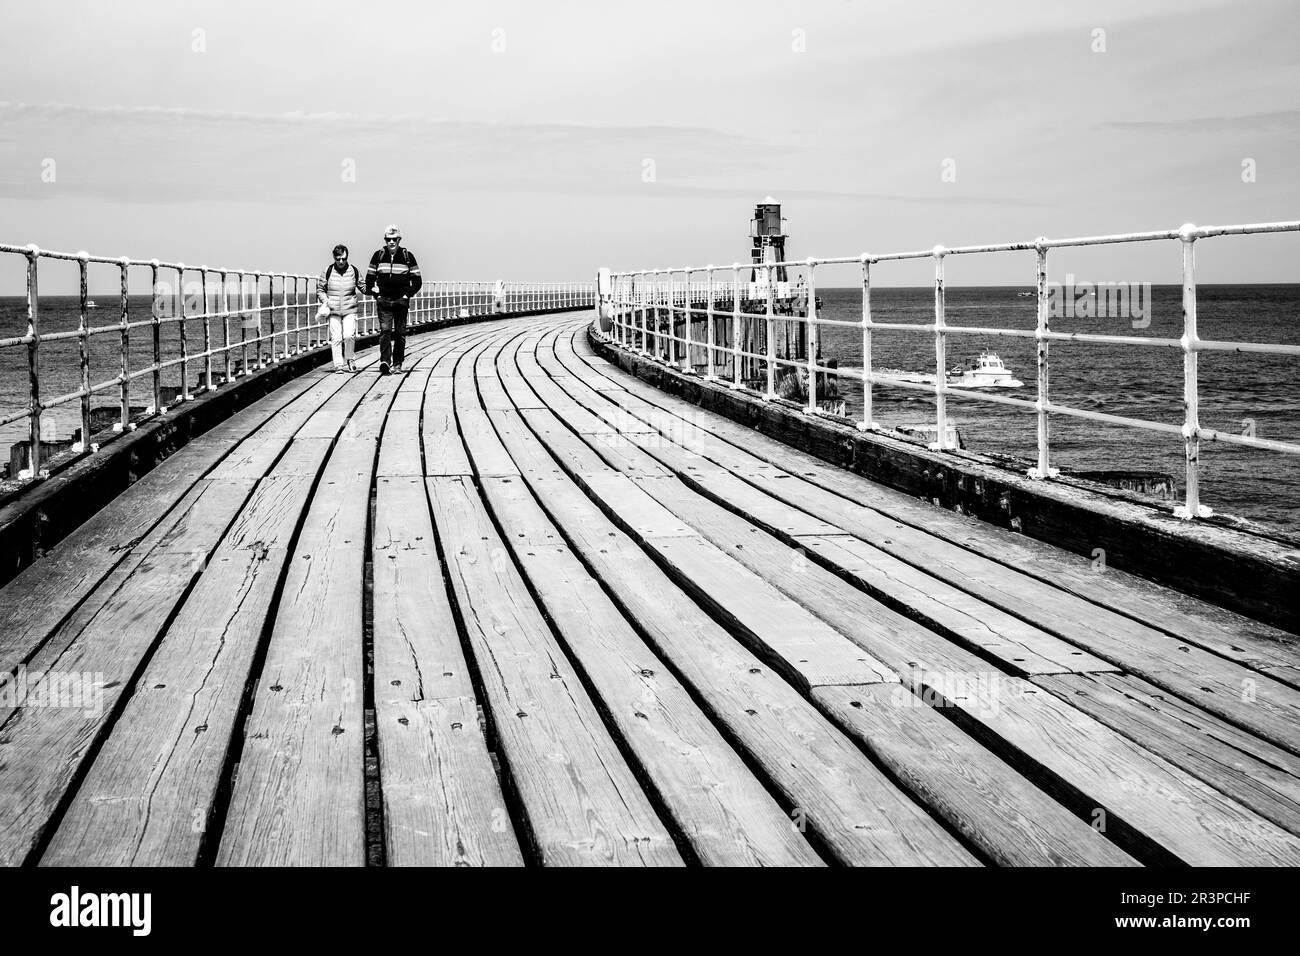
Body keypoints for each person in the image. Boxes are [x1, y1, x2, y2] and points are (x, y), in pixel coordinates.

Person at [365, 225, 422, 374]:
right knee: (385, 331)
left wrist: (406, 295)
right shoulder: (378, 255)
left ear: (399, 240)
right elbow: (369, 279)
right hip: (384, 301)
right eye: (389, 239)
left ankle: (397, 364)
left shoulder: (407, 256)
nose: (391, 242)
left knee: (400, 333)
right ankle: (385, 361)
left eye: (394, 239)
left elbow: (417, 280)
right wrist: (376, 293)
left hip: (401, 301)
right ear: (385, 240)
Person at [317, 243, 363, 372]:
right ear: (334, 257)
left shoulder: (354, 270)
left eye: (344, 258)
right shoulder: (328, 271)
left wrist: (375, 290)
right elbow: (320, 289)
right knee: (336, 338)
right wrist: (326, 301)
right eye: (338, 259)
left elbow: (363, 286)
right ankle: (338, 365)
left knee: (349, 335)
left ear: (347, 256)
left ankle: (350, 359)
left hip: (349, 308)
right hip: (333, 309)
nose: (341, 261)